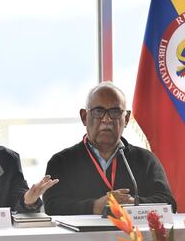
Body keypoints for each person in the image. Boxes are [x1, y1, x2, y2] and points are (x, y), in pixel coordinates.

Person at [43, 81, 177, 215]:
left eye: (115, 112)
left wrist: (132, 204)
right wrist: (94, 206)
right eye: (98, 111)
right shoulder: (62, 161)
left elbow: (169, 203)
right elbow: (52, 206)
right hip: (82, 236)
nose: (107, 119)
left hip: (135, 235)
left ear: (127, 118)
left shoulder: (145, 159)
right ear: (84, 117)